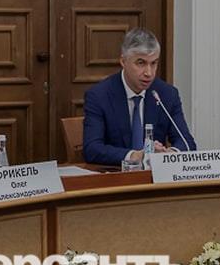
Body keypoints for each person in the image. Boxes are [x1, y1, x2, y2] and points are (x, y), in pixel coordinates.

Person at [82, 28, 197, 165]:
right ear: (123, 61)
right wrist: (134, 155)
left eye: (153, 63)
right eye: (141, 63)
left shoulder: (167, 94)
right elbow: (92, 149)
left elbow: (186, 142)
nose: (149, 73)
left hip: (154, 175)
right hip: (116, 173)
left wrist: (169, 155)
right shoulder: (99, 96)